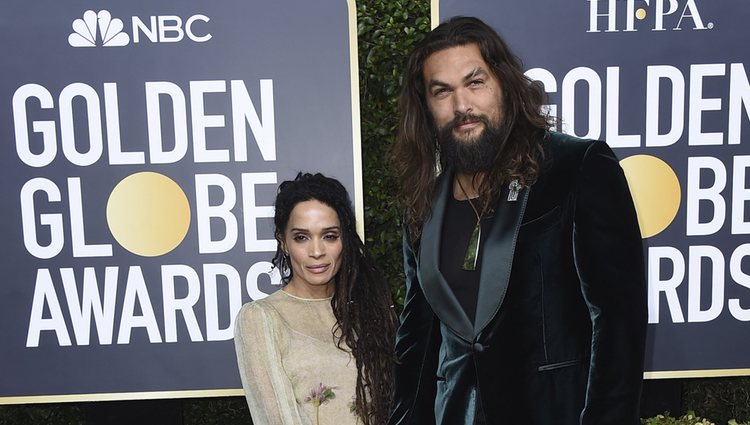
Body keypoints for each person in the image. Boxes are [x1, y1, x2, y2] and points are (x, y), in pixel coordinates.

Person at [389, 16, 648, 425]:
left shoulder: (576, 168)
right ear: (426, 106)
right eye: (443, 92)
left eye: (475, 83)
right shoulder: (423, 207)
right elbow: (417, 346)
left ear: (505, 85)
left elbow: (617, 325)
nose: (462, 106)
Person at [234, 172, 397, 425]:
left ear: (345, 240)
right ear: (284, 242)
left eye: (329, 236)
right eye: (302, 237)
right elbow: (277, 419)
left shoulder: (367, 311)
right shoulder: (261, 318)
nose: (317, 251)